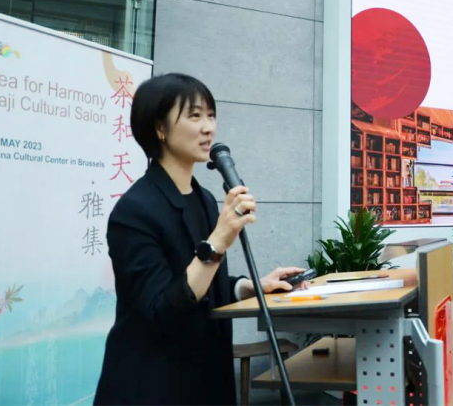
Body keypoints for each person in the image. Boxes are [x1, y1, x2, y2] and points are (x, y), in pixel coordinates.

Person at [95, 73, 307, 405]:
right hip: (153, 384)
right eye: (195, 116)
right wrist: (219, 240)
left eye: (211, 115)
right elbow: (161, 310)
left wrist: (252, 286)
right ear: (160, 128)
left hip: (206, 376)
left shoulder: (204, 199)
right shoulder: (133, 212)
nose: (209, 127)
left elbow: (205, 284)